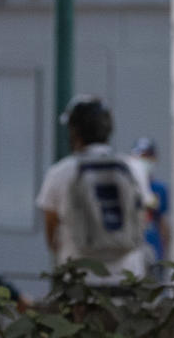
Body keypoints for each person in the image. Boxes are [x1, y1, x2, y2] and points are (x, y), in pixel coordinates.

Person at [35, 99, 155, 285]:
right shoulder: (133, 169)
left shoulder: (60, 172)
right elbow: (142, 218)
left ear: (74, 131)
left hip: (80, 282)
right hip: (128, 278)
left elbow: (51, 234)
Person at [130, 137, 172, 266]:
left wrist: (165, 254)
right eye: (141, 156)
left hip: (154, 250)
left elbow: (163, 223)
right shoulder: (127, 187)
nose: (145, 161)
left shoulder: (160, 189)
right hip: (132, 250)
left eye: (148, 156)